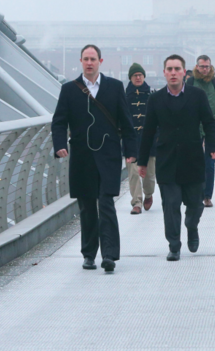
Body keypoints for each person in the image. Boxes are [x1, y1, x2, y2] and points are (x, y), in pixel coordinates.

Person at [52, 44, 137, 273]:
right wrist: (59, 145)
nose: (89, 63)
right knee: (87, 206)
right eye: (86, 59)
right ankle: (89, 254)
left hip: (108, 155)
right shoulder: (69, 90)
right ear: (81, 61)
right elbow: (59, 121)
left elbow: (126, 122)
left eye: (93, 59)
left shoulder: (115, 87)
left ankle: (109, 255)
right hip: (81, 156)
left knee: (106, 203)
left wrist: (131, 151)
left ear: (100, 61)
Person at [137, 54, 215, 261]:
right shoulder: (155, 99)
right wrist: (142, 161)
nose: (173, 73)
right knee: (170, 205)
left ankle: (191, 228)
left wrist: (213, 146)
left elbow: (209, 122)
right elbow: (148, 131)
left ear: (184, 72)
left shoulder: (197, 95)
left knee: (195, 204)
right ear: (164, 73)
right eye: (169, 69)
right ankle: (174, 245)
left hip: (192, 157)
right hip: (167, 159)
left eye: (177, 69)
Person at [186, 55, 215, 207]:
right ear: (197, 67)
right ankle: (196, 193)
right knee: (193, 163)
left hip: (211, 130)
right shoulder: (190, 83)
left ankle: (207, 195)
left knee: (210, 164)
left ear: (211, 67)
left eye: (207, 66)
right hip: (192, 130)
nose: (205, 69)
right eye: (202, 66)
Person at [126, 63, 157, 215]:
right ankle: (136, 202)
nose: (138, 78)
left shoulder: (152, 95)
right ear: (130, 78)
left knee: (150, 174)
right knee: (133, 174)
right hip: (131, 141)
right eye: (135, 75)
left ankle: (149, 194)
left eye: (140, 75)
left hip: (149, 141)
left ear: (144, 77)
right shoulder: (124, 97)